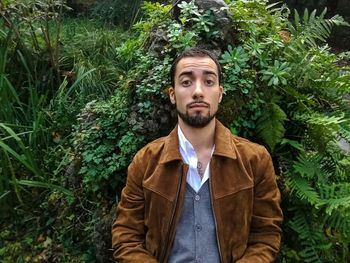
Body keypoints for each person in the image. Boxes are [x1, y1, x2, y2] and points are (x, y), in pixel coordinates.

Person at [112, 47, 283, 263]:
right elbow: (126, 236)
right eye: (186, 82)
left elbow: (266, 234)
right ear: (172, 95)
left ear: (220, 93)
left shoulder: (255, 160)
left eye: (209, 82)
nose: (198, 91)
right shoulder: (145, 162)